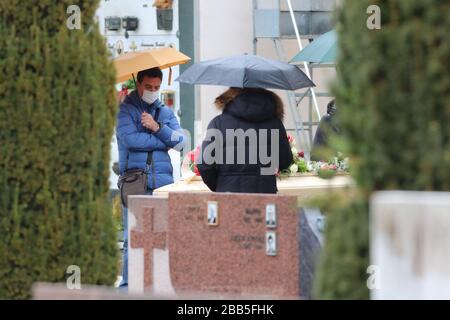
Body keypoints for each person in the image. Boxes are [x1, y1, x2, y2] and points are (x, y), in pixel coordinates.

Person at [115, 67, 185, 290]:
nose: (153, 91)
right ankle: (128, 287)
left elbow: (181, 141)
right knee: (133, 239)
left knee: (161, 238)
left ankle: (158, 285)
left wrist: (157, 128)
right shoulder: (125, 110)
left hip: (162, 184)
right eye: (148, 87)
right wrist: (164, 140)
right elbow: (130, 140)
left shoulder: (164, 112)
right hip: (135, 182)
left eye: (156, 87)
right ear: (138, 84)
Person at [197, 88, 293, 194]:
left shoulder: (218, 123)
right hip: (265, 195)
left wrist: (219, 185)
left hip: (228, 196)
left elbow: (204, 164)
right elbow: (285, 161)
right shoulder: (275, 124)